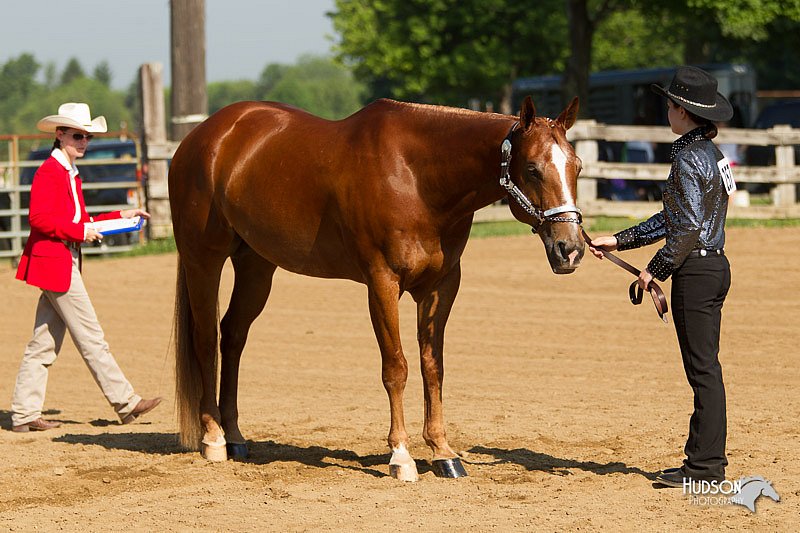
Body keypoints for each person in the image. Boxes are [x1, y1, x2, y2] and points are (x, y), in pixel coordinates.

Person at [588, 67, 735, 487]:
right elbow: (675, 220)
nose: (666, 111)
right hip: (714, 265)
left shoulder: (688, 156)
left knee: (703, 371)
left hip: (697, 270)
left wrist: (655, 270)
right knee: (706, 369)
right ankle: (703, 462)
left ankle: (705, 468)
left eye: (669, 105)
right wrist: (620, 240)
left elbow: (685, 227)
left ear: (683, 111)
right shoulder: (709, 153)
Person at [11, 102, 161, 432]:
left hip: (62, 262)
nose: (84, 142)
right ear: (60, 134)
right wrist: (80, 232)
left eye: (87, 137)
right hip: (57, 264)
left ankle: (23, 415)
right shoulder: (50, 172)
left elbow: (80, 220)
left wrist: (119, 216)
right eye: (79, 135)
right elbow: (39, 218)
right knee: (91, 337)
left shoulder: (67, 172)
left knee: (43, 343)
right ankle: (126, 402)